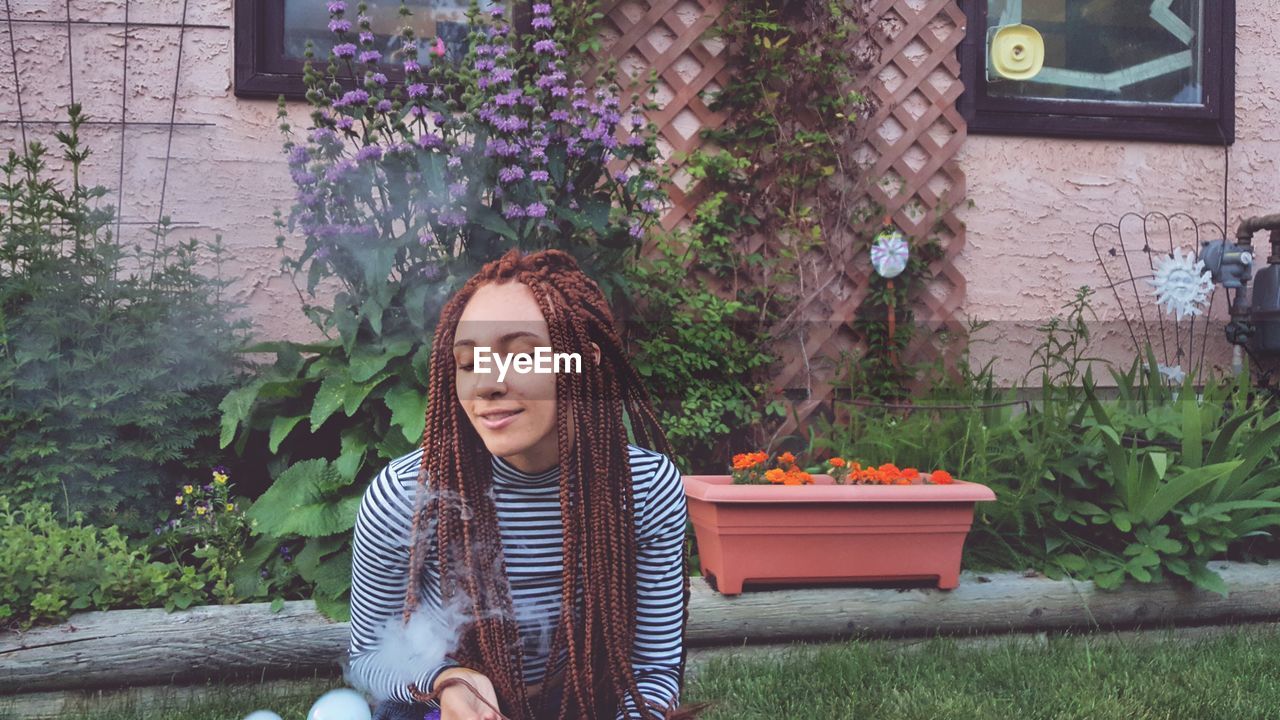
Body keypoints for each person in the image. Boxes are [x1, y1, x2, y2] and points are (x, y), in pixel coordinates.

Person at [346, 249, 708, 720]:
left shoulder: (644, 488)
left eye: (520, 355)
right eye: (468, 362)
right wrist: (446, 681)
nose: (487, 385)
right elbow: (367, 657)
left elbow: (652, 671)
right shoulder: (405, 495)